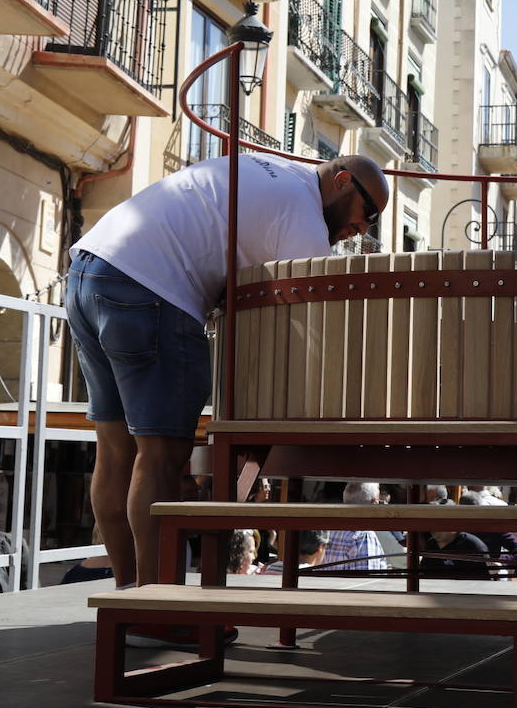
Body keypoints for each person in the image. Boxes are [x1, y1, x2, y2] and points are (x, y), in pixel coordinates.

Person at [65, 153, 388, 594]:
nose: (364, 229)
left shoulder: (272, 170)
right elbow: (312, 327)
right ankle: (156, 608)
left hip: (89, 270)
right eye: (367, 213)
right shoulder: (306, 219)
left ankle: (128, 595)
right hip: (152, 289)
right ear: (343, 181)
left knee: (115, 452)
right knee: (161, 458)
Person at [323, 482, 390, 571]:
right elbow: (366, 580)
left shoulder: (329, 530)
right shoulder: (364, 535)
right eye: (380, 502)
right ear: (374, 503)